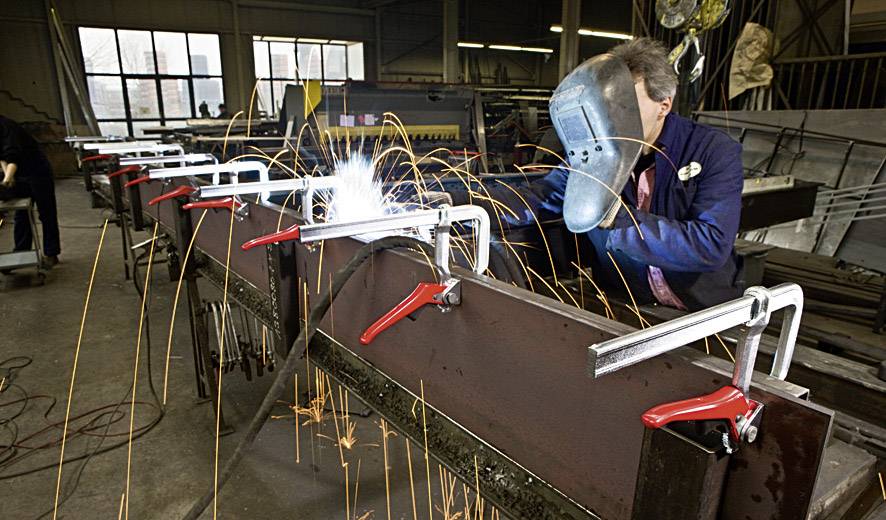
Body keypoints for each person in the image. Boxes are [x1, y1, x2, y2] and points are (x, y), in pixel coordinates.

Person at [486, 38, 744, 310]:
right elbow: (538, 199)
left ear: (664, 105)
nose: (612, 115)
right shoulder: (599, 154)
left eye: (627, 104)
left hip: (704, 310)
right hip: (630, 305)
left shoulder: (713, 150)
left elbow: (711, 245)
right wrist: (458, 203)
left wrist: (617, 220)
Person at [0, 116, 61, 268]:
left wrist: (7, 180)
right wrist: (7, 177)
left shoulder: (7, 127)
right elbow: (2, 158)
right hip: (19, 174)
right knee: (21, 214)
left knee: (46, 213)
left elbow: (12, 157)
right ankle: (21, 252)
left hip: (37, 171)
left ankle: (51, 254)